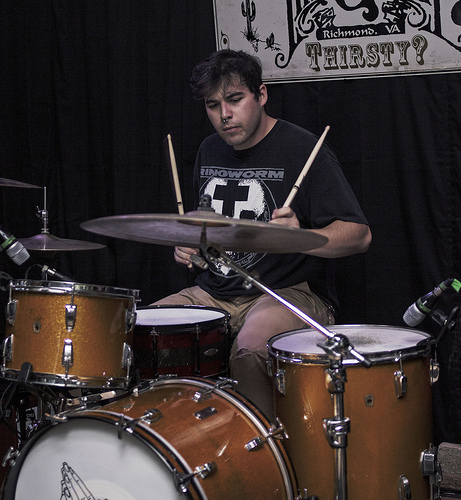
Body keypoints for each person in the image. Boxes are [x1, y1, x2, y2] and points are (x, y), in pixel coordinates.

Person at [154, 49, 371, 421]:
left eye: (235, 99)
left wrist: (302, 235)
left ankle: (267, 449)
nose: (224, 114)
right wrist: (190, 244)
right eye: (213, 105)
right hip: (214, 291)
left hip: (288, 291)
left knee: (252, 347)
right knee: (143, 329)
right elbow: (209, 228)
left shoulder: (302, 149)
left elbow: (359, 235)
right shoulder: (209, 149)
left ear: (262, 94)